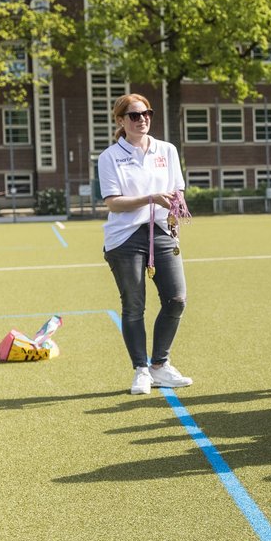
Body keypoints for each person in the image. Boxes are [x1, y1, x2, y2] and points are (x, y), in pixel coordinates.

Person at [99, 94, 193, 395]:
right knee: (134, 305)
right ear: (121, 121)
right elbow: (113, 203)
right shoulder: (109, 157)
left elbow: (177, 188)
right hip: (124, 237)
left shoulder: (167, 149)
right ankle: (141, 369)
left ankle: (159, 366)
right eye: (135, 115)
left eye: (146, 113)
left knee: (177, 299)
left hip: (163, 231)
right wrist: (151, 198)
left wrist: (177, 205)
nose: (142, 119)